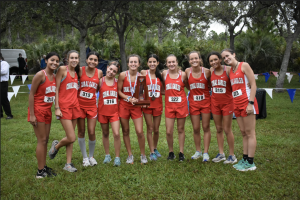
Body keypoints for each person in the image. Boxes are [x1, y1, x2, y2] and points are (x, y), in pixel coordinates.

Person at [221, 48, 259, 171]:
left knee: (250, 132)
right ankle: (245, 158)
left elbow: (253, 84)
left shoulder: (244, 65)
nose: (226, 59)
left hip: (247, 102)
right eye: (224, 58)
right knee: (243, 132)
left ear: (233, 54)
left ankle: (251, 162)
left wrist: (250, 103)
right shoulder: (230, 71)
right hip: (236, 104)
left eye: (227, 56)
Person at [48, 50, 82, 172]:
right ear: (67, 59)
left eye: (76, 58)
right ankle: (56, 146)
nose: (74, 60)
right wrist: (56, 108)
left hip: (75, 107)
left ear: (78, 59)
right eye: (72, 58)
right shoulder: (63, 69)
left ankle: (68, 164)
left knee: (70, 137)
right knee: (72, 137)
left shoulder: (77, 72)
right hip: (64, 108)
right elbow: (55, 89)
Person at [28, 52, 60, 178]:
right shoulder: (41, 75)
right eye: (52, 60)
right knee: (41, 140)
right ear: (46, 60)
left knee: (45, 140)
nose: (55, 63)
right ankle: (40, 172)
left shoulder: (55, 76)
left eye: (57, 61)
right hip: (38, 111)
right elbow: (31, 94)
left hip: (47, 111)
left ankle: (44, 166)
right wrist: (32, 114)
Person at [117, 54, 148, 164]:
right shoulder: (122, 75)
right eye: (131, 62)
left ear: (139, 64)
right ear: (128, 63)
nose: (133, 64)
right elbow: (119, 91)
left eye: (135, 62)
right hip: (124, 106)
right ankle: (130, 155)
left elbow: (141, 94)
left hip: (136, 107)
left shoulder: (141, 77)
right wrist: (128, 98)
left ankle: (143, 155)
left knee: (139, 131)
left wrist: (140, 101)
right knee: (125, 131)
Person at [208, 51, 237, 164]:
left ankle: (232, 155)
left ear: (220, 59)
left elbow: (240, 77)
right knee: (218, 129)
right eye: (211, 61)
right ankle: (221, 154)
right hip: (215, 104)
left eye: (215, 59)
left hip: (227, 103)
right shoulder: (210, 71)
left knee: (227, 129)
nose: (214, 62)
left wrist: (248, 83)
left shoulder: (228, 70)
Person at [76, 51, 103, 167]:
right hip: (80, 106)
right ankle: (85, 157)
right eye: (90, 59)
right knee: (81, 131)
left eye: (95, 60)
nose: (92, 61)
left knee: (91, 131)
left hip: (92, 106)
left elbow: (98, 89)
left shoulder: (100, 72)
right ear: (86, 60)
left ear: (98, 62)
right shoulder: (80, 70)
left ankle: (91, 156)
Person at [185, 51, 211, 162]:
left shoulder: (207, 71)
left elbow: (212, 83)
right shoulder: (187, 71)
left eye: (196, 58)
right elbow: (186, 84)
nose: (194, 61)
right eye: (191, 59)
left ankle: (206, 152)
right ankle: (198, 151)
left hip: (205, 102)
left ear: (200, 59)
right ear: (189, 61)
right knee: (196, 128)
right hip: (193, 103)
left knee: (205, 127)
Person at [162, 54, 188, 161]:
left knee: (181, 129)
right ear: (166, 64)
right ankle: (171, 152)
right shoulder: (164, 73)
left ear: (177, 62)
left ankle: (181, 153)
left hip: (181, 105)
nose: (171, 64)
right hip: (169, 107)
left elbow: (189, 85)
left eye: (173, 62)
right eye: (169, 62)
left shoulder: (183, 74)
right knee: (169, 131)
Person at [140, 54, 164, 161]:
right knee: (149, 128)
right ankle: (151, 152)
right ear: (147, 63)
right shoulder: (143, 73)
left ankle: (155, 147)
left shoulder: (161, 75)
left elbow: (163, 90)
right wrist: (142, 102)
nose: (152, 64)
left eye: (154, 62)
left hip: (158, 104)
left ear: (158, 63)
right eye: (150, 62)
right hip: (147, 105)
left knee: (156, 129)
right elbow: (140, 90)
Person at [98, 61, 121, 166]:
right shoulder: (100, 81)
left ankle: (117, 157)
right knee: (105, 133)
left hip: (114, 113)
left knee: (116, 134)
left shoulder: (117, 82)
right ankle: (107, 155)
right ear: (107, 68)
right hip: (102, 112)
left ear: (116, 73)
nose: (111, 72)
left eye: (114, 71)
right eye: (110, 69)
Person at [0, 53, 13, 119]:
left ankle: (9, 114)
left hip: (3, 83)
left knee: (3, 98)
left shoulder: (4, 63)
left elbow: (4, 71)